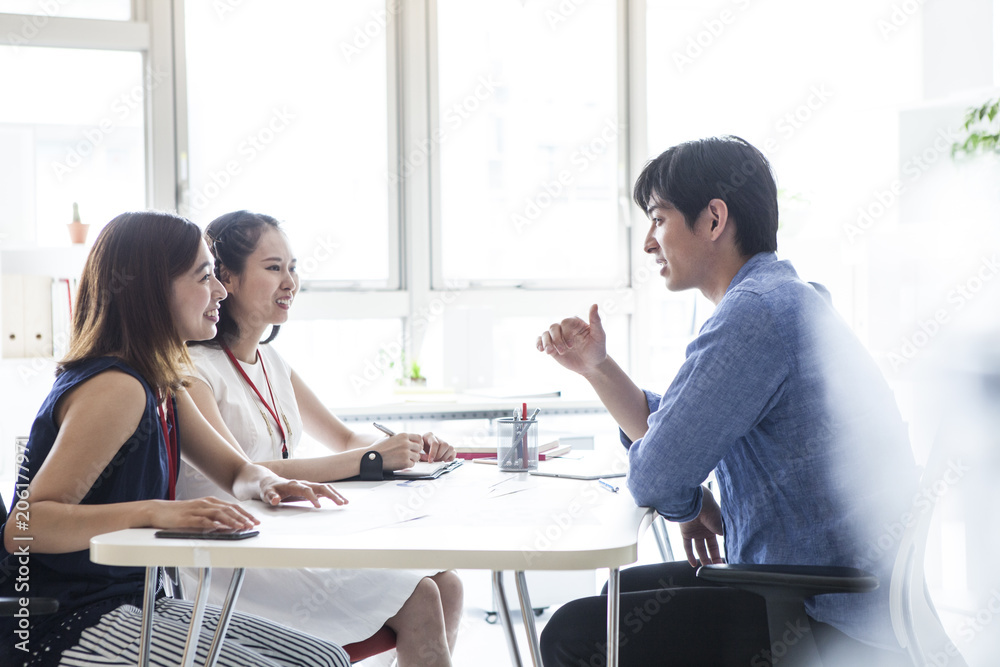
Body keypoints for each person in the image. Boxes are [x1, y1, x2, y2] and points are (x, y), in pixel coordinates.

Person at [536, 136, 919, 665]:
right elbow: (674, 431)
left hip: (816, 612)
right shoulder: (779, 298)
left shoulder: (755, 315)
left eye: (658, 219)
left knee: (574, 633)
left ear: (714, 219)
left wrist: (688, 500)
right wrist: (597, 367)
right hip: (818, 588)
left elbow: (658, 475)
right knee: (614, 602)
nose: (649, 242)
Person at [0, 211, 351, 667]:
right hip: (66, 622)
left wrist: (266, 484)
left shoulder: (162, 382)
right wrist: (154, 512)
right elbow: (25, 528)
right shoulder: (117, 388)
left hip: (139, 602)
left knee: (326, 658)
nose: (221, 291)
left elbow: (236, 470)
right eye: (205, 276)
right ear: (153, 288)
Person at [176, 210, 462, 667]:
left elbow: (345, 436)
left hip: (282, 537)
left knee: (447, 582)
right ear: (224, 278)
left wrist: (409, 445)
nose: (290, 281)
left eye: (293, 267)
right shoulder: (192, 371)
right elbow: (243, 471)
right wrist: (371, 458)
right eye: (273, 268)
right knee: (423, 597)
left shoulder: (271, 360)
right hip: (231, 559)